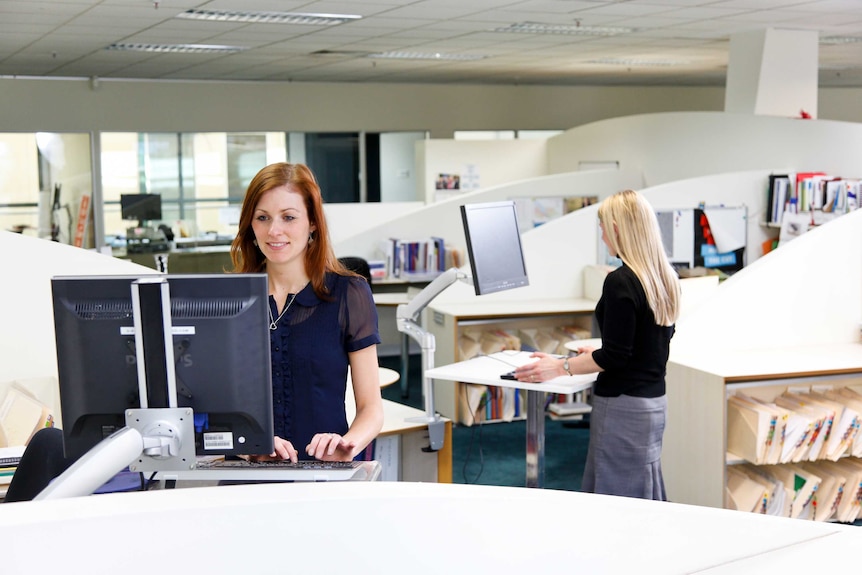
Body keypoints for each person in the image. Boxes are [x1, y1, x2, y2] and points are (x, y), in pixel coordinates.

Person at [513, 189, 681, 500]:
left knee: (614, 499)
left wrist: (558, 367)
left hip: (623, 407)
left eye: (603, 227)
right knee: (643, 492)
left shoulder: (621, 281)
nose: (602, 236)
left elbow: (617, 356)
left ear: (618, 228)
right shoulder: (663, 277)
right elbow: (651, 344)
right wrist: (596, 353)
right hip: (653, 404)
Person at [230, 162, 384, 462]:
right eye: (263, 218)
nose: (274, 231)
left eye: (289, 217)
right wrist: (246, 445)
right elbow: (213, 411)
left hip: (322, 477)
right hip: (247, 477)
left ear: (312, 222)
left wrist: (348, 444)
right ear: (251, 224)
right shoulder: (230, 301)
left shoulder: (349, 294)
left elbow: (371, 409)